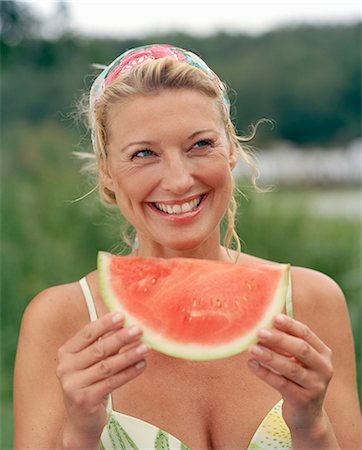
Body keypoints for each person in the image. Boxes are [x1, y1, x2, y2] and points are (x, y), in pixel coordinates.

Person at [14, 44, 361, 450]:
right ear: (107, 171)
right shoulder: (61, 319)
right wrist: (81, 433)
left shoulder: (309, 301)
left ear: (230, 149)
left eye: (200, 145)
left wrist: (311, 425)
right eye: (144, 153)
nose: (178, 180)